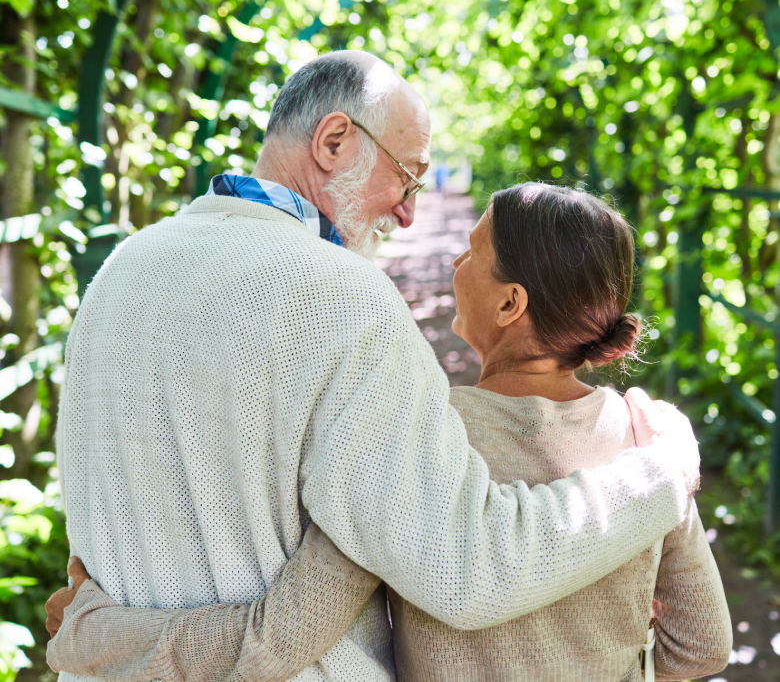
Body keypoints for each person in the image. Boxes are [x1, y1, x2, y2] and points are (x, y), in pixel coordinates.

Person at [49, 52, 700, 682]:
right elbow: (470, 566)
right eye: (407, 178)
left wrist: (94, 635)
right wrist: (661, 473)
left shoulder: (120, 271)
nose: (410, 213)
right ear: (334, 142)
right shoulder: (345, 300)